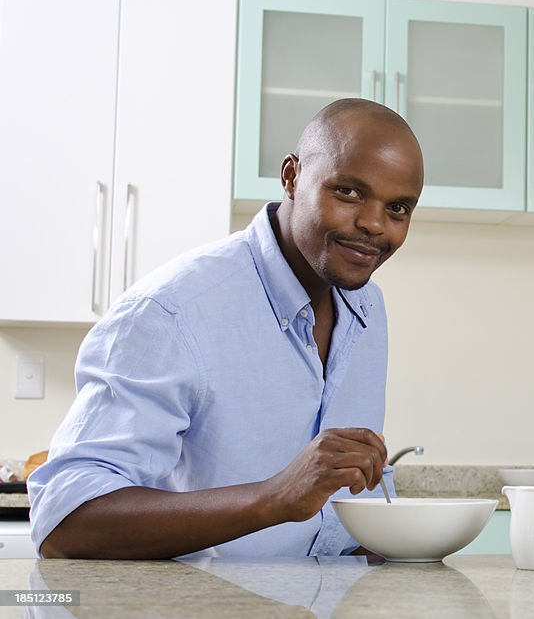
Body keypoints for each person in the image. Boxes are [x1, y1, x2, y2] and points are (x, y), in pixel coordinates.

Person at [28, 98, 425, 559]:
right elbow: (65, 524)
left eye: (397, 208)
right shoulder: (171, 311)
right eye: (348, 192)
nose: (374, 225)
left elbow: (339, 506)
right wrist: (274, 497)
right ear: (292, 176)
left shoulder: (366, 305)